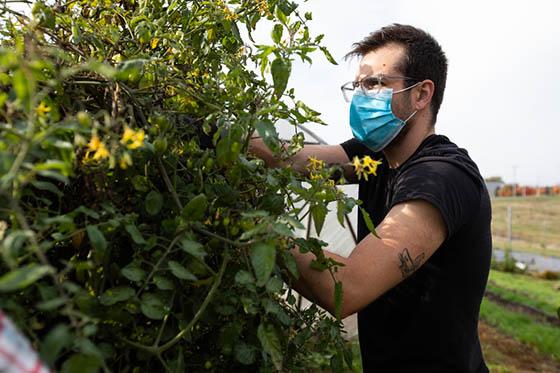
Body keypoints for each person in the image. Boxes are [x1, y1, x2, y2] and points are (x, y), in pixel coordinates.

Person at [250, 24, 491, 372]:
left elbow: (347, 287)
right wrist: (226, 135)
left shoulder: (442, 177)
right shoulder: (374, 157)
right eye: (359, 86)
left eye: (376, 84)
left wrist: (251, 231)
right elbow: (296, 159)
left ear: (422, 94)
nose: (363, 96)